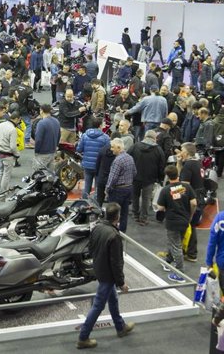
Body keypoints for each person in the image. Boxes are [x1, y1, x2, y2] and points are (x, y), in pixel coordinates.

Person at [76, 202, 134, 349]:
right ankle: (83, 338)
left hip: (99, 269)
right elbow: (116, 263)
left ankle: (120, 327)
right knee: (98, 306)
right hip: (108, 276)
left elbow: (90, 248)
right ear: (118, 217)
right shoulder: (114, 236)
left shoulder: (97, 227)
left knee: (113, 299)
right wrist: (121, 283)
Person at [156, 165, 197, 283]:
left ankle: (180, 272)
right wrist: (190, 216)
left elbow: (160, 207)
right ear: (177, 174)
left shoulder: (165, 190)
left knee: (176, 246)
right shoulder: (186, 187)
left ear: (167, 176)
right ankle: (168, 260)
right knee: (174, 241)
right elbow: (193, 203)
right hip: (185, 220)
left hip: (172, 221)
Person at [128, 129, 165, 225]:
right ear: (155, 138)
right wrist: (160, 178)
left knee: (135, 196)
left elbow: (127, 157)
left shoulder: (135, 146)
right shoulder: (158, 149)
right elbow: (161, 166)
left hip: (135, 177)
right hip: (150, 179)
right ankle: (143, 219)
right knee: (146, 198)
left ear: (145, 136)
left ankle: (135, 214)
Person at [105, 138, 136, 232]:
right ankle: (122, 233)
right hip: (128, 189)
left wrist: (107, 189)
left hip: (117, 190)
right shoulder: (130, 157)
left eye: (113, 147)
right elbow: (135, 172)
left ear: (119, 147)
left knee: (112, 213)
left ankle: (111, 232)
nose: (111, 149)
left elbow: (113, 178)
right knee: (124, 213)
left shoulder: (117, 160)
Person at [77, 117, 111, 200]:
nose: (104, 124)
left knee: (87, 186)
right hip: (99, 166)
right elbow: (108, 152)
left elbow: (79, 149)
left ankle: (84, 203)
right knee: (97, 188)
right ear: (100, 125)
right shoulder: (105, 137)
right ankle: (95, 206)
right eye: (103, 123)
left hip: (87, 165)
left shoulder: (85, 135)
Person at [0, 112, 20, 197]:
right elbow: (13, 146)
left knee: (1, 172)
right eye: (19, 120)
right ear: (16, 119)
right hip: (8, 154)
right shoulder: (13, 130)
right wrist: (17, 154)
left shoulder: (1, 125)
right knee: (6, 174)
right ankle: (3, 192)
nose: (19, 122)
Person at [33, 104, 60, 172]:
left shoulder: (41, 123)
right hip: (53, 151)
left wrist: (36, 151)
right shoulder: (56, 121)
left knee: (39, 173)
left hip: (43, 153)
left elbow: (38, 139)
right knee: (50, 174)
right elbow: (59, 135)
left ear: (41, 111)